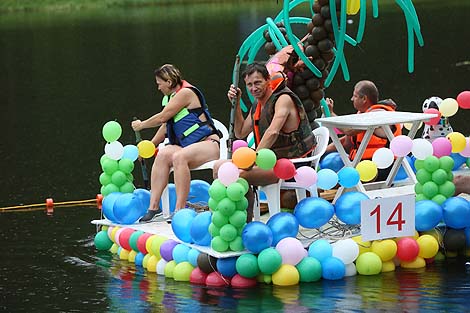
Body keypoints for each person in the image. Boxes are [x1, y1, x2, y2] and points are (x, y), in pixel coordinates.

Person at [213, 62, 316, 222]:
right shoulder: (258, 104)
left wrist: (252, 159)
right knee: (219, 167)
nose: (253, 88)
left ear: (268, 80)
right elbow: (240, 132)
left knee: (241, 176)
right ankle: (223, 219)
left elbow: (273, 131)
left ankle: (244, 223)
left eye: (257, 82)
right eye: (249, 85)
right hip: (268, 161)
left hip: (289, 165)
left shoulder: (283, 99)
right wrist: (237, 102)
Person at [132, 64, 221, 223]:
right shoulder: (169, 99)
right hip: (187, 146)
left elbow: (162, 117)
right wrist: (150, 147)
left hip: (208, 144)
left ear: (168, 81)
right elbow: (165, 126)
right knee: (163, 155)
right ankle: (153, 207)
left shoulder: (185, 93)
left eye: (159, 83)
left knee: (179, 157)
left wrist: (141, 125)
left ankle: (180, 210)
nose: (158, 87)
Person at [324, 80, 401, 180]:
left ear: (364, 98)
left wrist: (330, 114)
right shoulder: (362, 115)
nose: (352, 99)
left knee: (337, 183)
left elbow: (348, 130)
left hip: (380, 166)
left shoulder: (378, 114)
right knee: (333, 180)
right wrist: (322, 151)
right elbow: (347, 142)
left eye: (355, 96)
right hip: (361, 164)